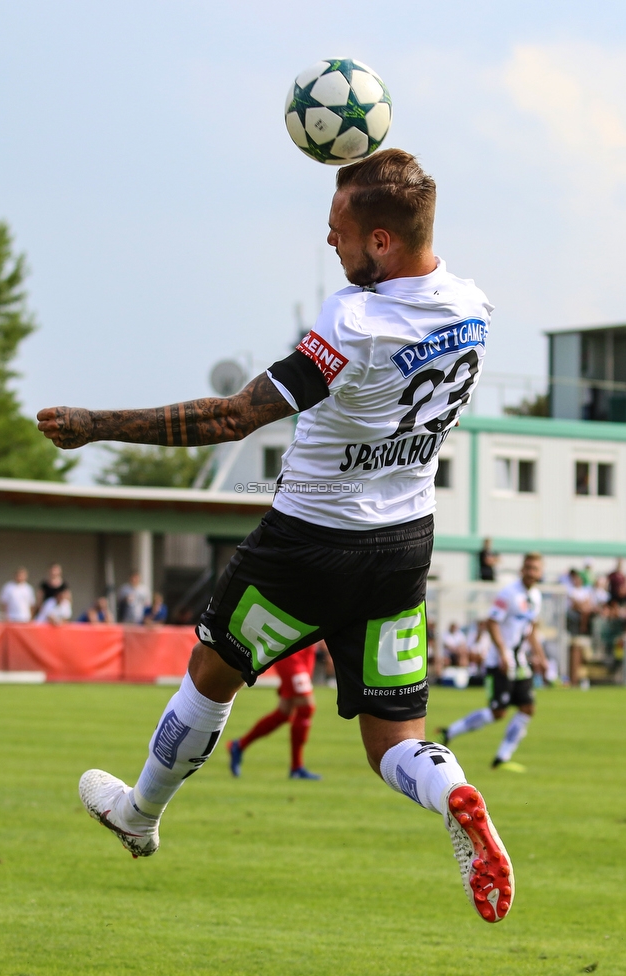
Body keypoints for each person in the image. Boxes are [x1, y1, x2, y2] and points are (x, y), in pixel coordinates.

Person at [37, 148, 513, 924]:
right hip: (402, 547)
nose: (329, 242)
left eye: (340, 231)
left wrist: (98, 427)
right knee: (393, 739)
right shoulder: (472, 306)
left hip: (308, 541)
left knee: (211, 671)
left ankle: (140, 814)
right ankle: (450, 790)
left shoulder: (355, 323)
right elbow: (396, 218)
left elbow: (233, 417)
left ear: (383, 241)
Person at [437, 553, 547, 771]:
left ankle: (502, 757)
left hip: (520, 662)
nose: (531, 572)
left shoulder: (536, 596)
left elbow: (531, 629)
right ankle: (451, 732)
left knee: (527, 708)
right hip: (500, 662)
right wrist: (504, 652)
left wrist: (541, 657)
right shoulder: (509, 594)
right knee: (498, 712)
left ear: (540, 572)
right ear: (521, 570)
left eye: (535, 568)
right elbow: (492, 622)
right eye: (528, 567)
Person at [227, 642, 322, 780]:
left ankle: (239, 745)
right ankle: (296, 768)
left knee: (284, 713)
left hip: (308, 648)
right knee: (306, 708)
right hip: (291, 649)